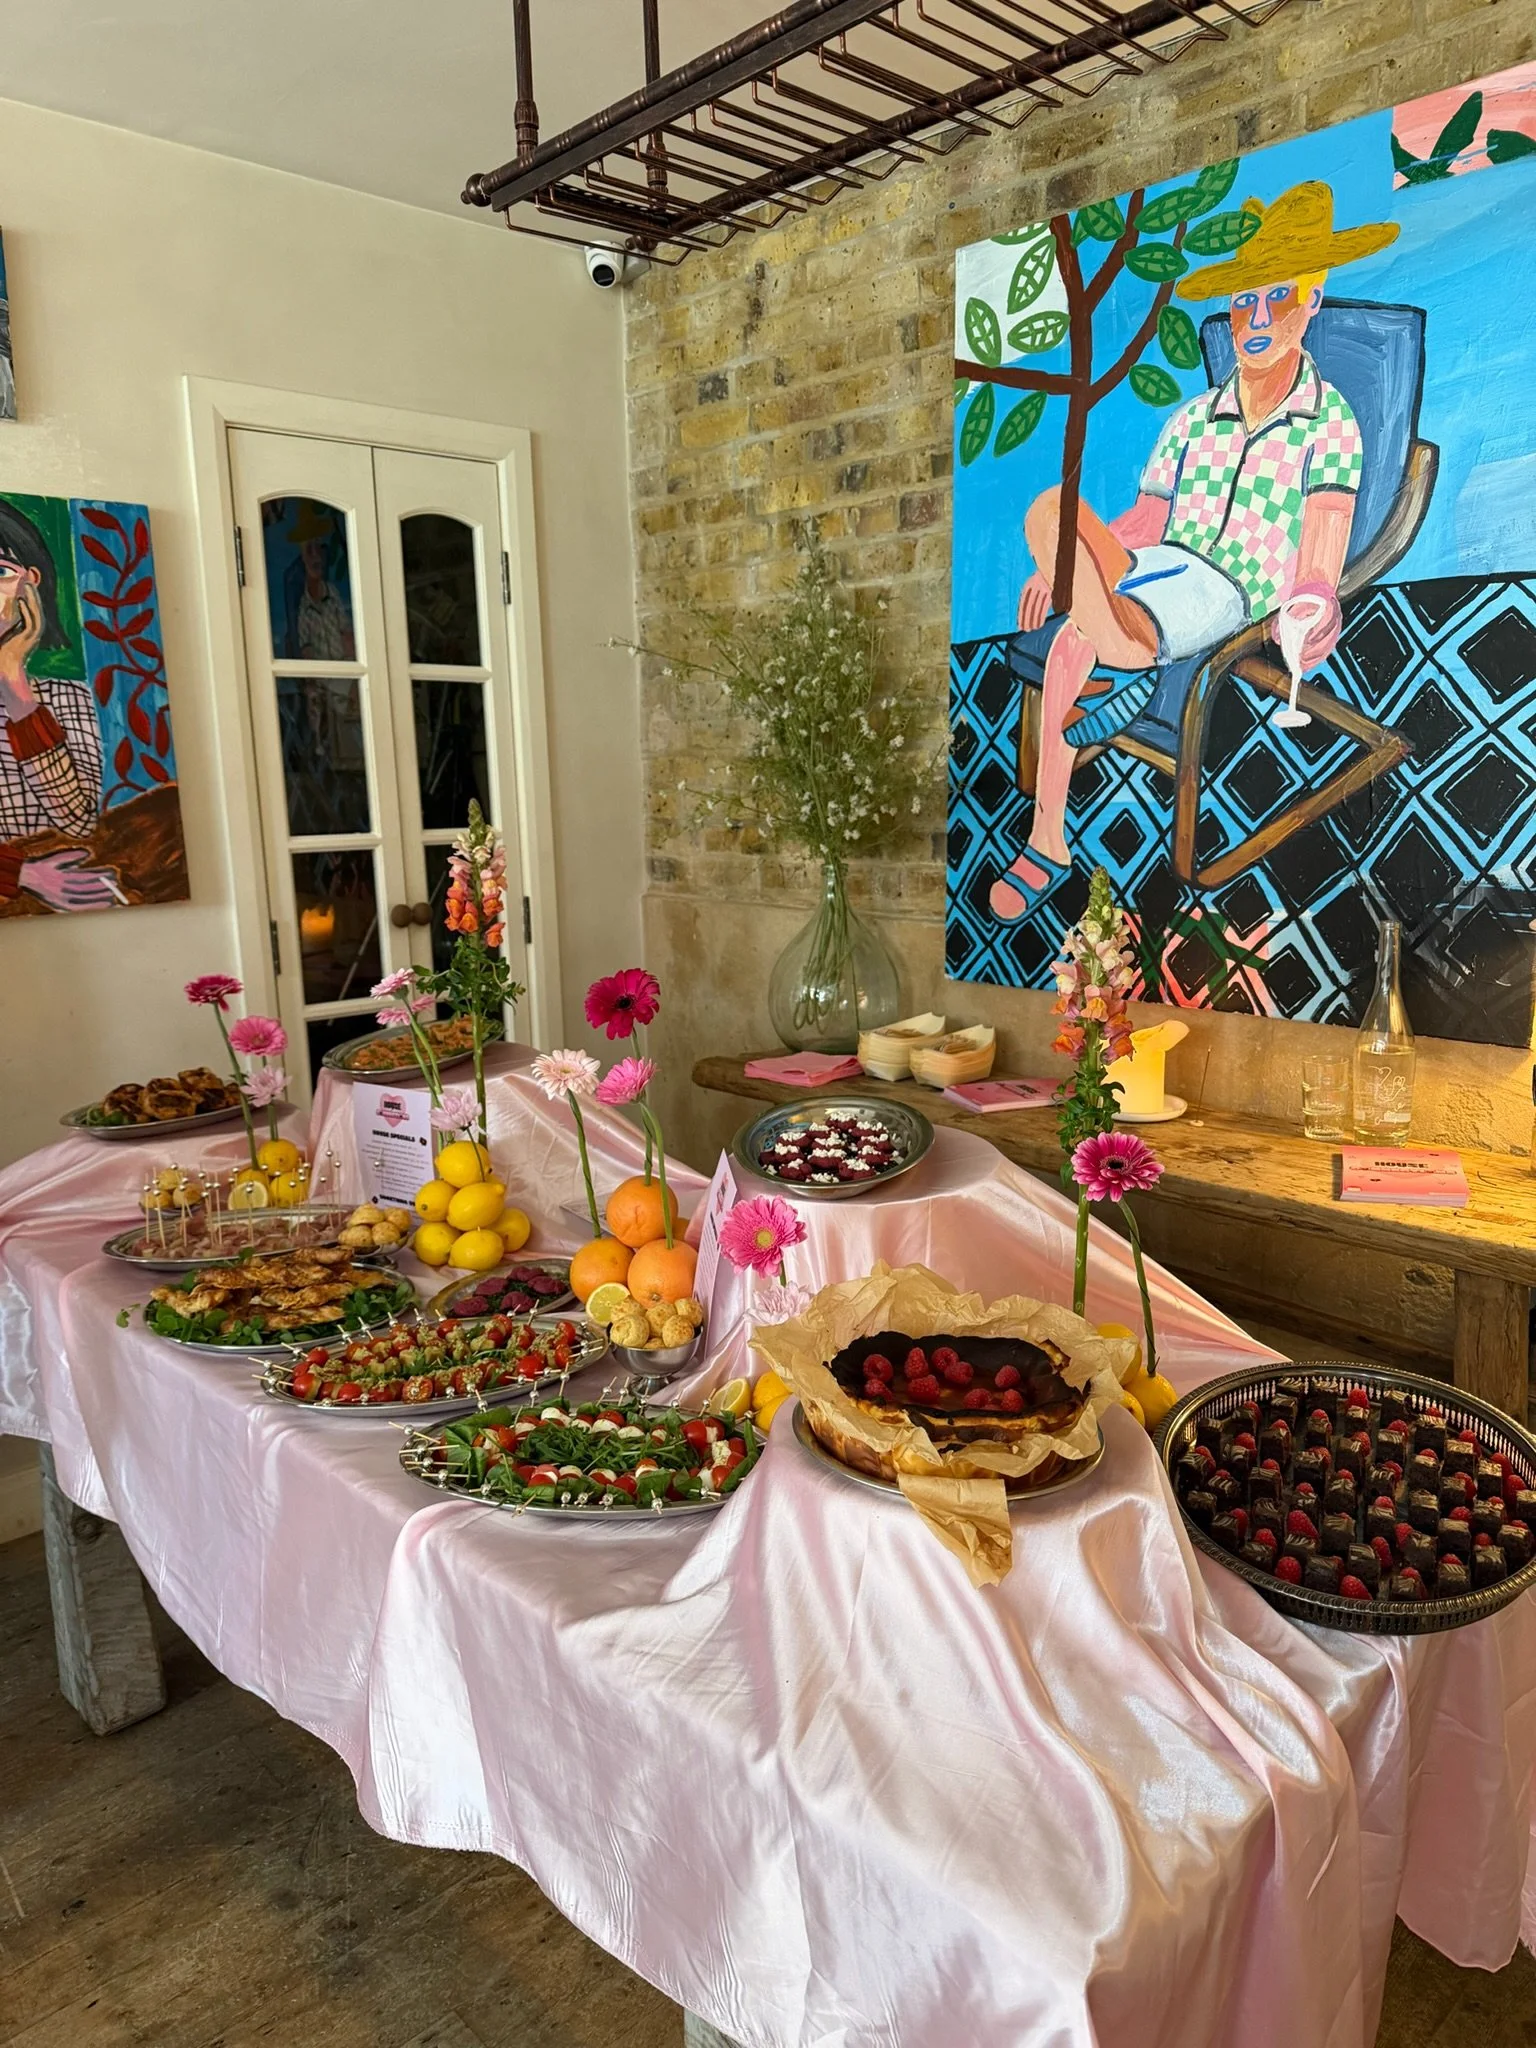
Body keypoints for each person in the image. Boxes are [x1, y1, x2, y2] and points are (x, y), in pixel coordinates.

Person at [991, 182, 1400, 923]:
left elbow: (1325, 537)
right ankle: (1119, 657)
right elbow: (1145, 521)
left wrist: (1310, 600)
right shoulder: (1193, 419)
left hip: (1229, 586)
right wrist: (1065, 567)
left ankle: (1047, 836)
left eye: (1278, 297)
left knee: (1075, 642)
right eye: (1245, 300)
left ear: (1311, 299)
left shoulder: (1330, 422)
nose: (1258, 317)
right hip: (1162, 563)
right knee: (1051, 511)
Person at [0, 499, 122, 912]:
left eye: (1, 572)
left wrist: (14, 687)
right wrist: (22, 874)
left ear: (30, 584)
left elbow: (78, 822)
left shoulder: (65, 697)